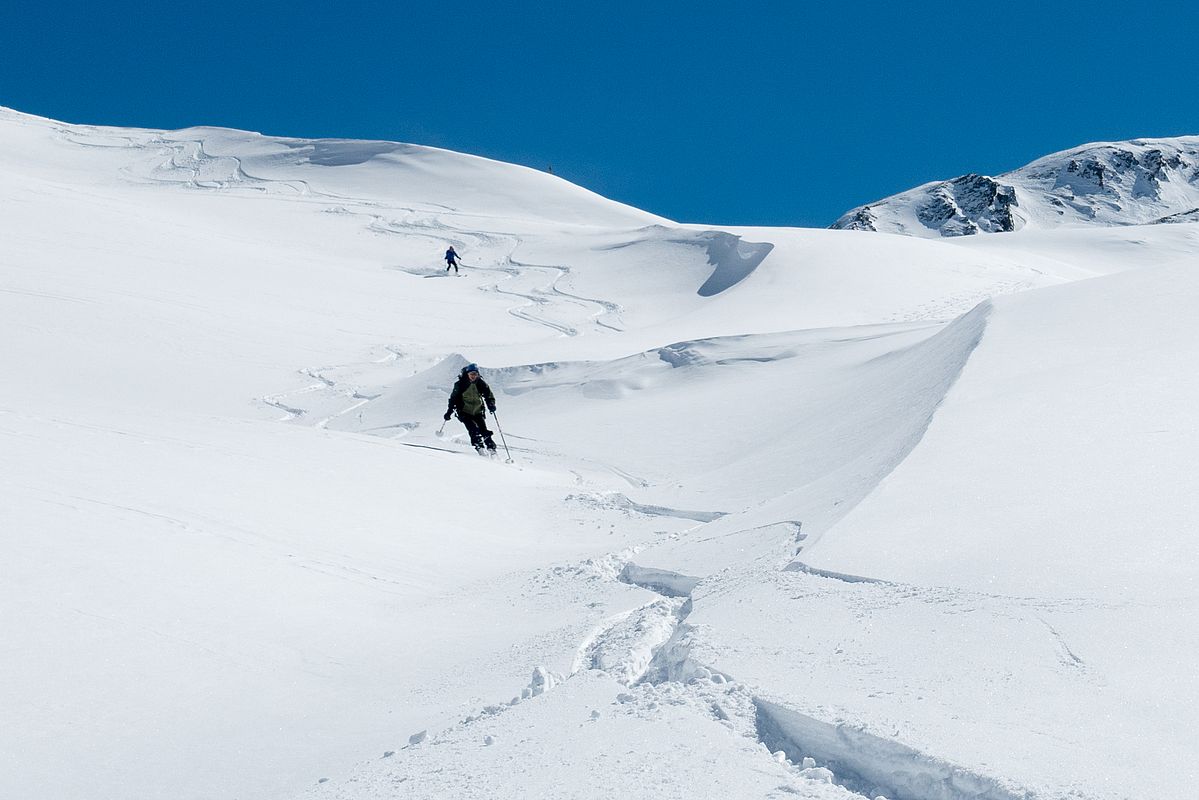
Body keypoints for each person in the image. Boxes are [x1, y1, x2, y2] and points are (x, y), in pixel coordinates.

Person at [444, 363, 497, 452]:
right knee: (473, 430)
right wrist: (449, 411)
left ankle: (491, 448)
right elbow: (453, 398)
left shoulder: (481, 383)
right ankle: (479, 448)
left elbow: (488, 395)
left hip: (478, 411)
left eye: (475, 374)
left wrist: (491, 404)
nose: (473, 376)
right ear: (467, 374)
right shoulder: (460, 384)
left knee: (483, 430)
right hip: (464, 412)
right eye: (471, 374)